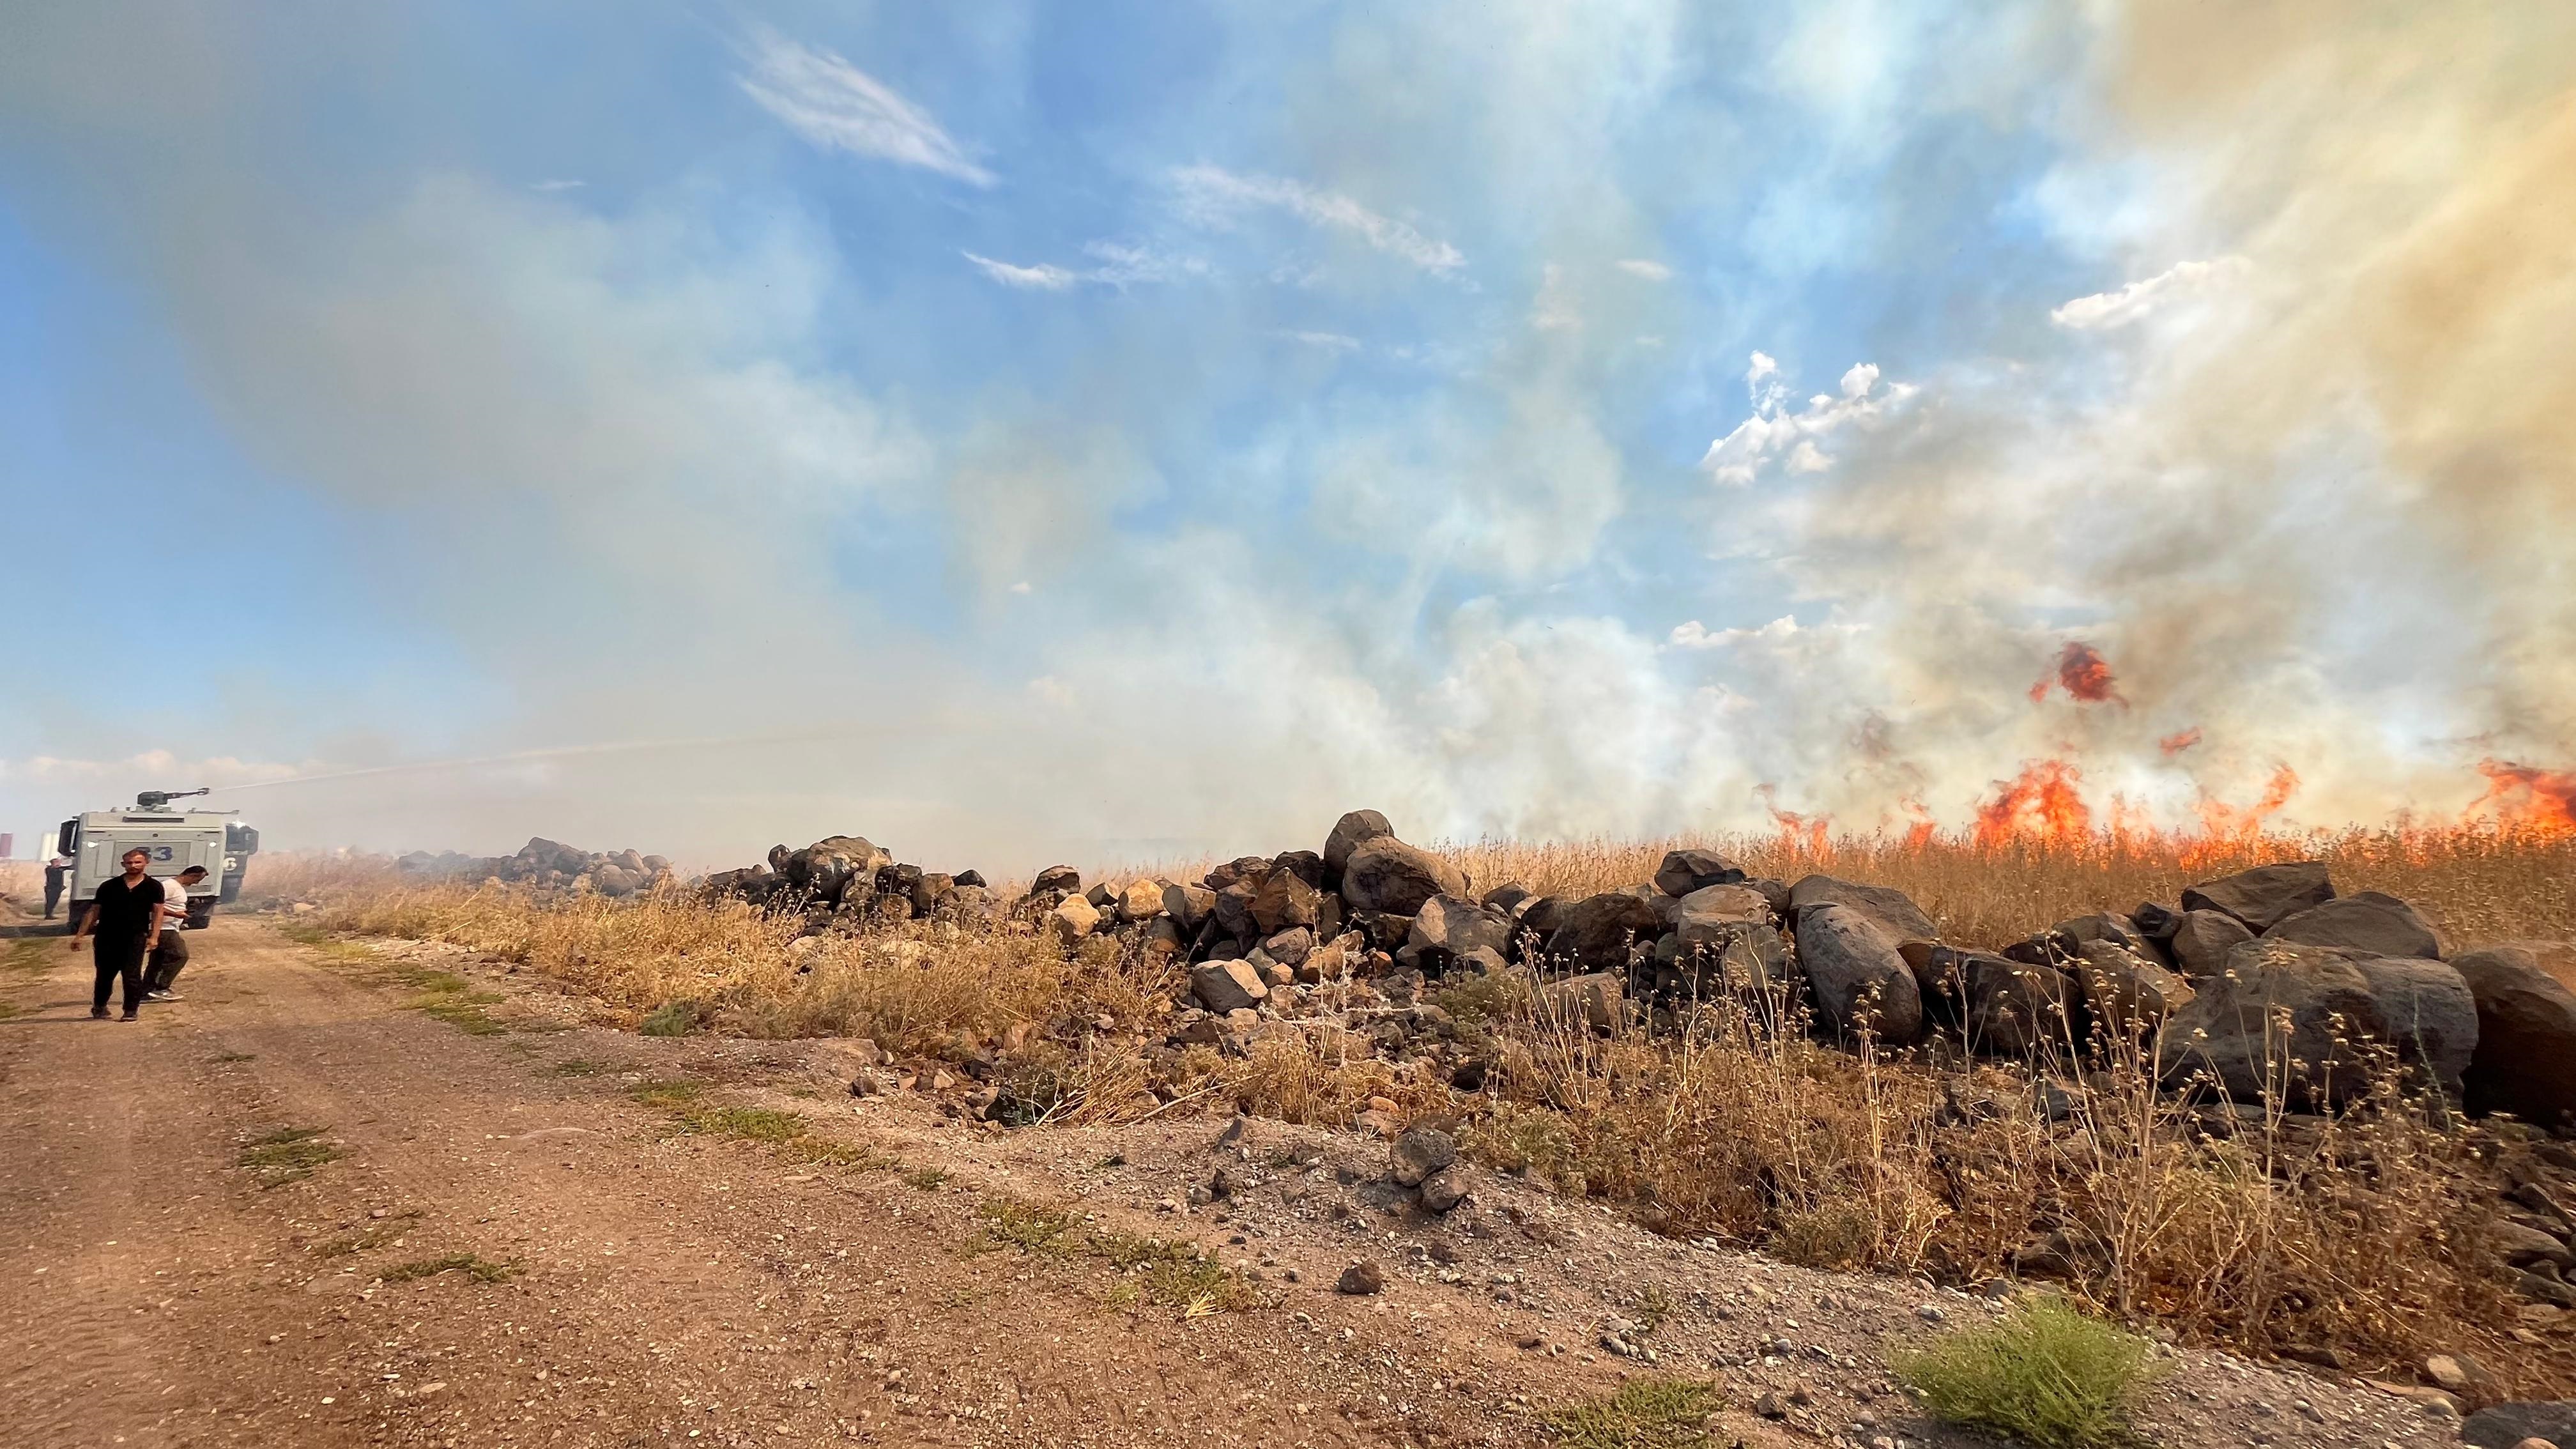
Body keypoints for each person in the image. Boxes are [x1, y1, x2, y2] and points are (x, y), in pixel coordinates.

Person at [67, 848, 162, 1021]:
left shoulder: (153, 886)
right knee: (105, 974)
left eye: (137, 862)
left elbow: (158, 912)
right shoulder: (109, 886)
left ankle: (130, 1010)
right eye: (129, 863)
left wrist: (154, 936)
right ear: (123, 864)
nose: (133, 866)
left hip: (135, 937)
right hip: (107, 937)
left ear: (146, 863)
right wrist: (80, 935)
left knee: (131, 975)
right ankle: (99, 1007)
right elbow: (94, 911)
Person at [146, 864, 208, 1002]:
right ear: (192, 875)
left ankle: (146, 991)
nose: (196, 883)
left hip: (169, 927)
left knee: (158, 961)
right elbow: (153, 905)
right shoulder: (170, 886)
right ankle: (162, 987)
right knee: (180, 955)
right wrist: (176, 914)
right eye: (197, 880)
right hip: (164, 928)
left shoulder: (176, 888)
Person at [43, 853, 71, 919]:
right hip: (52, 889)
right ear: (53, 863)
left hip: (57, 888)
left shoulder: (58, 869)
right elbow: (55, 873)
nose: (59, 863)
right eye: (57, 862)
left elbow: (67, 867)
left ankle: (49, 914)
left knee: (55, 901)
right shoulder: (50, 869)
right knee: (51, 902)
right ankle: (48, 915)